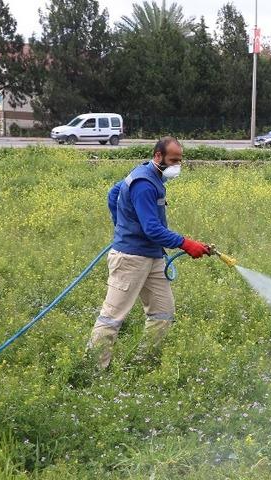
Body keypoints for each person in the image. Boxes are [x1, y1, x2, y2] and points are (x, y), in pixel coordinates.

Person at [87, 136, 210, 370]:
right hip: (131, 259)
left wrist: (123, 223)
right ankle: (92, 370)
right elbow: (152, 229)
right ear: (158, 156)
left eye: (180, 160)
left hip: (152, 257)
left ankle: (142, 364)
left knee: (163, 313)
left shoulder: (150, 175)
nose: (177, 166)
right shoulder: (144, 183)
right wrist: (185, 243)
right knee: (112, 318)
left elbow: (114, 193)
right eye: (173, 160)